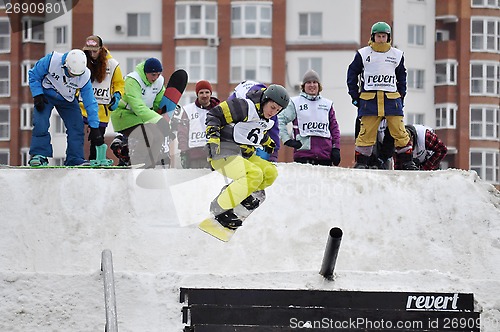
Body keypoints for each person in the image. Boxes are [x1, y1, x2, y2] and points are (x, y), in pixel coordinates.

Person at [205, 84, 290, 229]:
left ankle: (240, 194)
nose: (273, 112)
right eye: (272, 107)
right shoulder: (244, 106)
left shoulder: (264, 117)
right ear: (265, 100)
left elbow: (252, 132)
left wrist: (268, 142)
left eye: (278, 110)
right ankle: (219, 208)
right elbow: (214, 114)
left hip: (244, 154)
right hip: (222, 152)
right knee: (254, 174)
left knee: (270, 173)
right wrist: (213, 140)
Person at [347, 21, 418, 170]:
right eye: (378, 36)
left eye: (384, 36)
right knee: (366, 132)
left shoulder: (397, 55)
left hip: (391, 101)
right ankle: (362, 162)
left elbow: (402, 77)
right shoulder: (363, 54)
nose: (381, 39)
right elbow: (352, 74)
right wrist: (355, 96)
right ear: (373, 37)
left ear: (388, 37)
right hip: (369, 101)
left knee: (399, 131)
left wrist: (401, 96)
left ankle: (406, 161)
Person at [28, 49, 104, 166]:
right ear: (65, 66)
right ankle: (39, 154)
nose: (73, 77)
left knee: (77, 126)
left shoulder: (84, 75)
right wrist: (37, 94)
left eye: (76, 75)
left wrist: (95, 127)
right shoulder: (51, 60)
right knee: (40, 123)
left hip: (67, 98)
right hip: (46, 94)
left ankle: (74, 158)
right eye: (71, 73)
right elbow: (34, 74)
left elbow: (90, 102)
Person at [109, 57, 169, 168]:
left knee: (158, 135)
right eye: (153, 75)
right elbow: (137, 107)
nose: (155, 78)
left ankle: (150, 165)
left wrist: (166, 111)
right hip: (124, 115)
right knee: (146, 135)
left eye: (158, 74)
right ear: (145, 73)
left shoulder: (159, 82)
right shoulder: (132, 81)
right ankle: (136, 163)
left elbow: (157, 103)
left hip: (141, 117)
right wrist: (158, 119)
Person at [278, 69, 341, 166]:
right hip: (303, 156)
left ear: (319, 85)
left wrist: (336, 148)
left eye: (315, 82)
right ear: (303, 86)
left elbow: (334, 128)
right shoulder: (295, 103)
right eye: (308, 82)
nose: (312, 85)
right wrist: (287, 140)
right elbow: (280, 119)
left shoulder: (327, 104)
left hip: (325, 156)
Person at [80, 35, 125, 160]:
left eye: (95, 51)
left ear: (101, 49)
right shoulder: (82, 61)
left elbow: (119, 83)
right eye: (89, 51)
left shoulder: (113, 64)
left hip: (102, 108)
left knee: (98, 137)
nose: (92, 54)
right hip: (81, 106)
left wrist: (117, 95)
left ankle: (96, 159)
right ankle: (76, 159)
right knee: (77, 134)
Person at [228, 80, 281, 162]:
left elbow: (274, 129)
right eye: (273, 108)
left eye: (276, 110)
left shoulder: (270, 107)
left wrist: (274, 152)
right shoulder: (240, 103)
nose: (273, 112)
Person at [173, 80, 220, 168]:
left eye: (207, 92)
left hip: (215, 156)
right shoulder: (188, 110)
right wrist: (183, 152)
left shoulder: (218, 110)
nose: (204, 95)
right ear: (197, 94)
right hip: (195, 156)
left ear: (211, 94)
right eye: (201, 92)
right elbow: (182, 132)